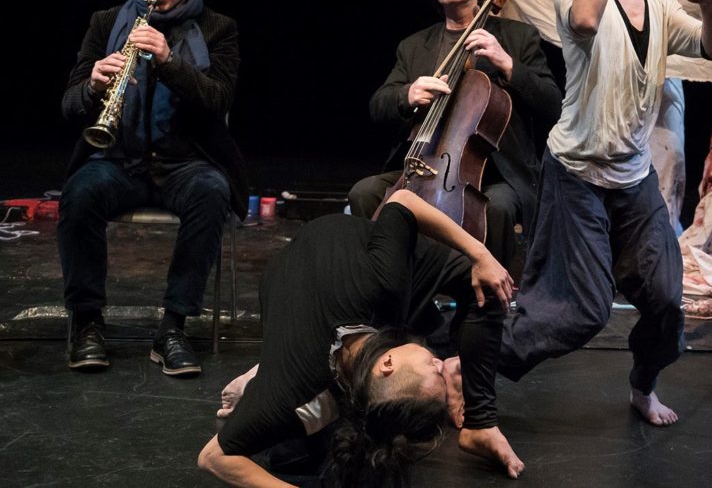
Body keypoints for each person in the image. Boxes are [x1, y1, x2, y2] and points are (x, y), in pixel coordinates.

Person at [497, 0, 712, 426]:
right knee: (576, 311)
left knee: (666, 298)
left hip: (633, 176)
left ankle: (642, 387)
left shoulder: (658, 3)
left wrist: (711, 5)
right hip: (576, 174)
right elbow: (585, 20)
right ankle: (472, 368)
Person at [197, 189, 525, 486]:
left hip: (354, 283)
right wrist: (481, 254)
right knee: (292, 456)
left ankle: (480, 424)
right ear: (387, 363)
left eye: (435, 367)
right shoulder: (296, 382)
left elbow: (403, 202)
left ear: (387, 364)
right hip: (339, 262)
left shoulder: (385, 290)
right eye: (438, 367)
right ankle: (261, 379)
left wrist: (480, 259)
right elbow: (213, 456)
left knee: (487, 289)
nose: (439, 361)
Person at [59, 0, 247, 376]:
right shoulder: (107, 22)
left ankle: (173, 328)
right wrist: (92, 85)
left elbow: (219, 99)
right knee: (80, 193)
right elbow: (68, 105)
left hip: (185, 164)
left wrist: (169, 60)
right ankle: (87, 321)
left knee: (212, 192)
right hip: (119, 161)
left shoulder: (218, 29)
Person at [347, 0, 561, 270]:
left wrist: (508, 64)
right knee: (365, 192)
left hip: (495, 173)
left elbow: (553, 105)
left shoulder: (518, 38)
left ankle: (489, 290)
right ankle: (389, 281)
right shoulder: (414, 47)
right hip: (425, 166)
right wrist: (408, 94)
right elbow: (379, 105)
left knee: (499, 207)